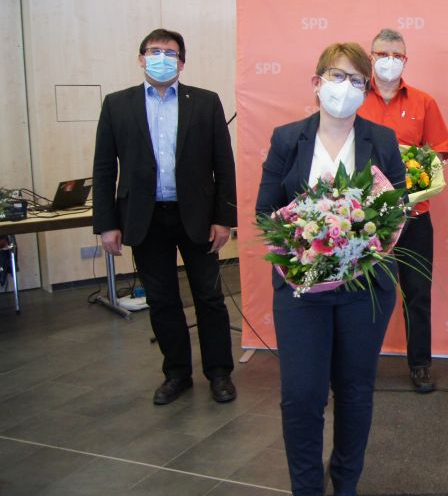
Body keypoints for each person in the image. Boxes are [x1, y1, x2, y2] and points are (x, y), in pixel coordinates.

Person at [256, 42, 405, 496]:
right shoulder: (287, 138)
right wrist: (304, 241)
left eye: (357, 81)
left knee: (355, 393)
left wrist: (361, 239)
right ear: (317, 82)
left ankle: (345, 486)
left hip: (365, 290)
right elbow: (266, 212)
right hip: (302, 291)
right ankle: (306, 488)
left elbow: (396, 209)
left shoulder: (381, 140)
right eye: (337, 77)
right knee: (302, 397)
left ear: (366, 89)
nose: (346, 88)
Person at [92, 28, 237, 406]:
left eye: (169, 53)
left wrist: (225, 218)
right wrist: (107, 223)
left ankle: (219, 372)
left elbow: (224, 164)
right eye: (153, 51)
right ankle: (176, 374)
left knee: (209, 297)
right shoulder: (116, 105)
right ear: (140, 58)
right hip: (144, 218)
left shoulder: (205, 102)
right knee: (162, 299)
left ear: (182, 62)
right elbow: (105, 168)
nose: (161, 58)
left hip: (198, 217)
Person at [358, 28, 448, 393]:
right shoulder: (354, 99)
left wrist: (419, 164)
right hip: (363, 218)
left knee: (417, 292)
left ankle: (420, 365)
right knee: (361, 293)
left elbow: (441, 149)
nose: (390, 62)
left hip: (414, 215)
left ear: (406, 61)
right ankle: (359, 366)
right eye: (383, 54)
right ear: (371, 56)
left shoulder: (423, 102)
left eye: (397, 56)